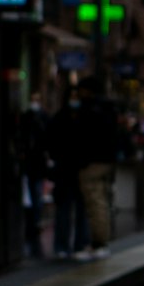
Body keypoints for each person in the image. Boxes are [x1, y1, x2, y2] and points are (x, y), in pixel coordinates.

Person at [74, 75, 118, 259]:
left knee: (95, 202)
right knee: (101, 200)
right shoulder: (108, 108)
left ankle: (99, 243)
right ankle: (99, 242)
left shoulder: (89, 109)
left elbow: (83, 136)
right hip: (106, 160)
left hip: (92, 161)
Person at [45, 87, 89, 259]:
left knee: (80, 210)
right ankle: (63, 245)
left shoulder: (84, 118)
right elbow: (51, 143)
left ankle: (78, 244)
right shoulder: (60, 118)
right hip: (65, 171)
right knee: (64, 210)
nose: (74, 100)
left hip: (78, 170)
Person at [17, 91, 49, 257]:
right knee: (29, 194)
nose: (35, 102)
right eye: (33, 99)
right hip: (29, 164)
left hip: (36, 164)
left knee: (36, 194)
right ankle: (31, 222)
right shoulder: (26, 117)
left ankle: (35, 221)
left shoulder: (43, 117)